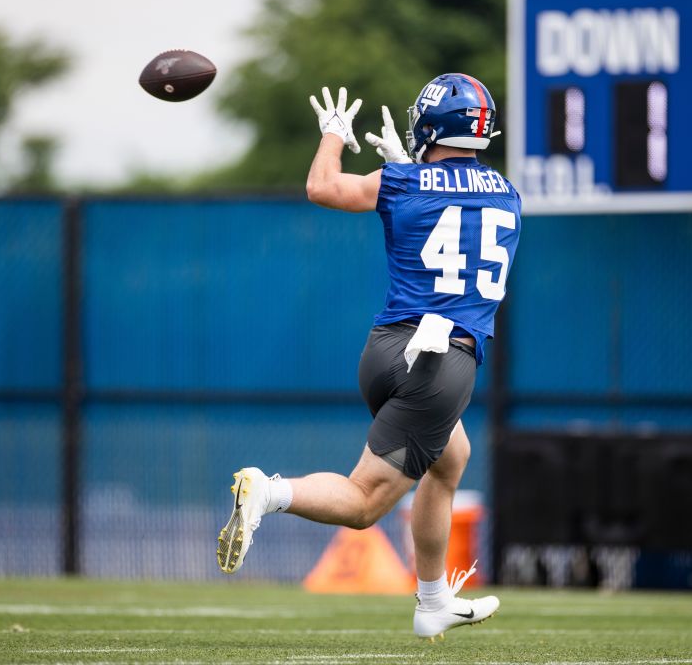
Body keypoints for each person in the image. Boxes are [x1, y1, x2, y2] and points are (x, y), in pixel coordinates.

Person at [216, 74, 521, 640]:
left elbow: (323, 187)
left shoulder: (401, 182)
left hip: (385, 353)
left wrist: (334, 134)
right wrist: (409, 168)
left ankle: (432, 602)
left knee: (450, 460)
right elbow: (454, 208)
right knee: (363, 504)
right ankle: (268, 491)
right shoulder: (507, 192)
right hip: (441, 363)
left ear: (433, 125)